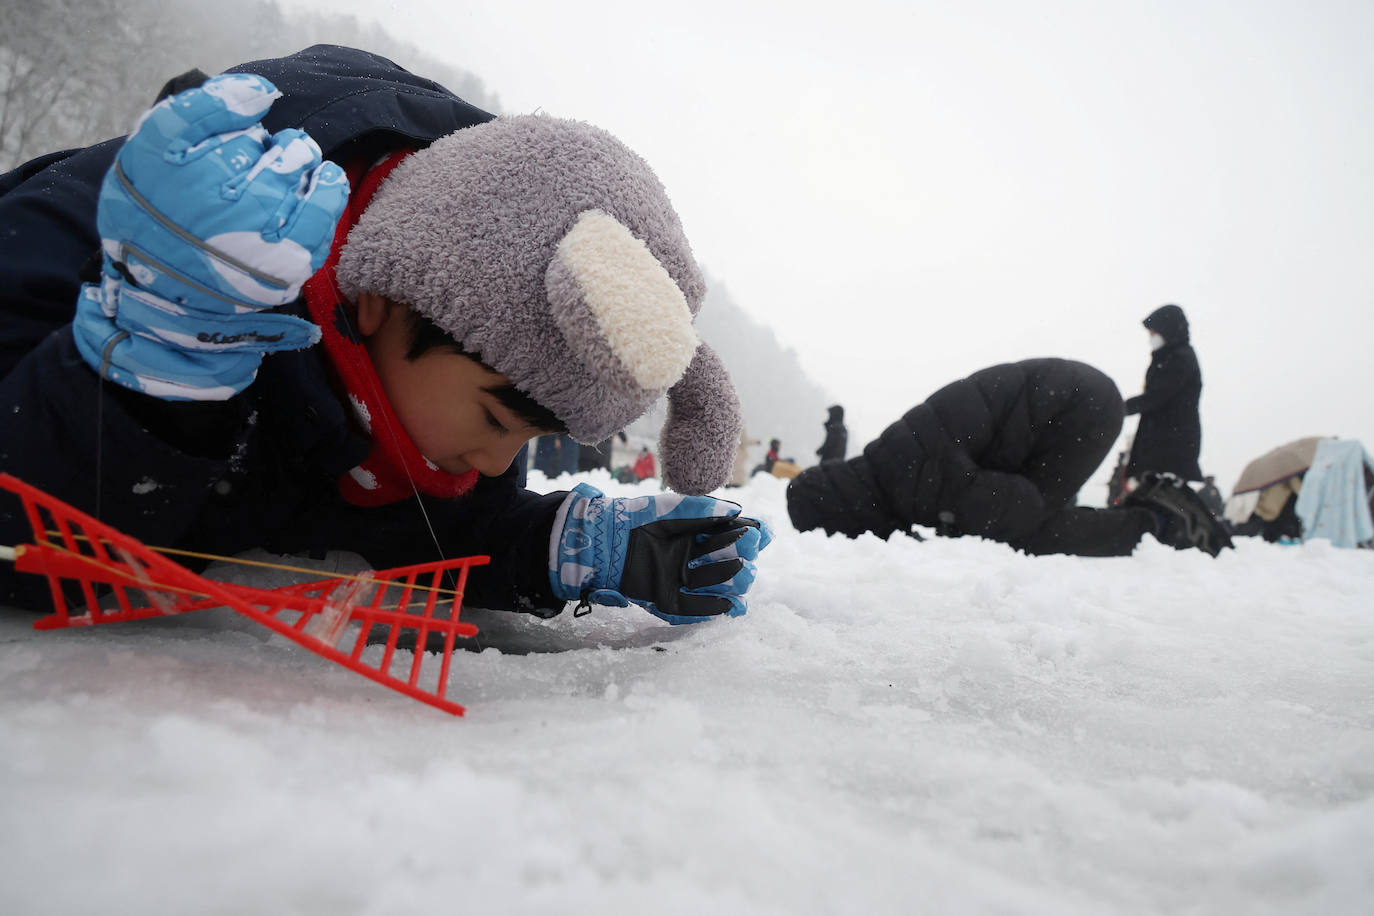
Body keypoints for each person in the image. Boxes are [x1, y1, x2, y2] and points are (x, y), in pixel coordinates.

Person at [0, 46, 769, 626]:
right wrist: (159, 373)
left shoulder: (434, 381)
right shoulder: (146, 237)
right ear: (380, 300)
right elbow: (28, 552)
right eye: (499, 421)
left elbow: (431, 530)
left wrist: (567, 544)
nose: (497, 460)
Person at [786, 359, 1231, 557]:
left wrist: (965, 529)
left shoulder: (908, 482)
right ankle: (1155, 522)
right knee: (1025, 518)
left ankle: (1162, 525)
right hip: (1070, 396)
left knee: (1031, 530)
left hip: (1076, 409)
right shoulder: (888, 462)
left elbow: (1011, 508)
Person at [1124, 304, 1203, 484]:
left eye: (1153, 333)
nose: (1151, 339)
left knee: (1159, 495)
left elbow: (1156, 396)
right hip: (1162, 442)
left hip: (1170, 446)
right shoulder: (1168, 357)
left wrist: (1117, 407)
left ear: (1167, 331)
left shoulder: (1180, 358)